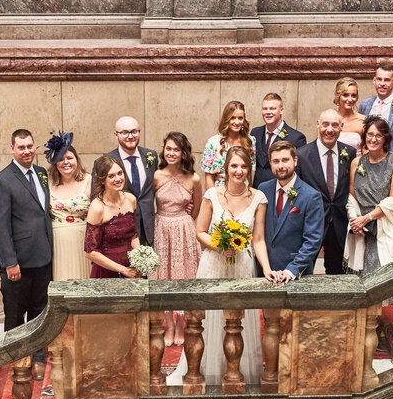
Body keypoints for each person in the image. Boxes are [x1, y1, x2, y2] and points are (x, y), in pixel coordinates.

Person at [195, 146, 276, 384]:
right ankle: (209, 371)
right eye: (234, 166)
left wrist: (267, 269)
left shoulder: (258, 198)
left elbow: (258, 239)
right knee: (212, 319)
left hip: (242, 265)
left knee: (238, 320)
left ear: (249, 168)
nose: (239, 171)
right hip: (213, 264)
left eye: (243, 166)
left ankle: (239, 371)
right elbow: (200, 231)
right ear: (225, 168)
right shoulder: (211, 195)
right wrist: (219, 246)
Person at [0, 128, 54, 380]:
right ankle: (17, 360)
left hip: (43, 257)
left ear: (35, 147)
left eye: (30, 146)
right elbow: (0, 226)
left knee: (40, 311)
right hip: (18, 262)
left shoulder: (41, 173)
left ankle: (37, 357)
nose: (26, 151)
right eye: (21, 147)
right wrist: (10, 262)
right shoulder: (2, 181)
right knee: (15, 313)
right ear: (12, 149)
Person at [345, 118, 393, 332]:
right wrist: (355, 219)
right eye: (369, 135)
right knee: (366, 270)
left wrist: (368, 217)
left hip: (386, 221)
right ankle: (370, 315)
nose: (373, 139)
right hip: (362, 225)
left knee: (390, 268)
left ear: (385, 139)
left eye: (378, 136)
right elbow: (352, 195)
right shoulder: (357, 163)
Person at [151, 132, 203, 346]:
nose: (171, 153)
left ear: (184, 152)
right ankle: (169, 324)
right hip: (161, 228)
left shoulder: (194, 178)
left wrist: (183, 222)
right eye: (168, 148)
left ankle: (181, 323)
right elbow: (148, 204)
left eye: (176, 149)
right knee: (163, 276)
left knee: (184, 275)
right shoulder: (156, 176)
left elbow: (197, 207)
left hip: (184, 228)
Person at [297, 109, 358, 275]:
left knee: (336, 271)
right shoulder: (302, 155)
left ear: (341, 128)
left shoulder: (350, 153)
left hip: (339, 222)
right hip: (312, 222)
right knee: (304, 268)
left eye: (334, 125)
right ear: (318, 124)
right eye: (325, 124)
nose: (329, 129)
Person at [259, 141, 325, 281]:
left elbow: (313, 241)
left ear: (295, 161)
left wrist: (292, 270)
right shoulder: (263, 189)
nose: (281, 166)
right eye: (276, 161)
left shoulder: (311, 196)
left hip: (295, 274)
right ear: (270, 163)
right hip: (264, 271)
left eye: (285, 160)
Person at [97, 116, 157, 245]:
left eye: (134, 131)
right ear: (116, 135)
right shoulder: (104, 161)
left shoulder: (151, 156)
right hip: (120, 231)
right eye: (124, 132)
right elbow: (96, 198)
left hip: (149, 229)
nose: (130, 136)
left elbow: (156, 187)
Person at [85, 157, 140, 278]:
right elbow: (90, 252)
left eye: (120, 173)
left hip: (131, 268)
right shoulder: (97, 207)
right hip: (107, 270)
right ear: (102, 180)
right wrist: (122, 269)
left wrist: (140, 260)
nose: (118, 179)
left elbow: (134, 237)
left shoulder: (131, 199)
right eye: (111, 176)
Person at [48, 144, 93, 280]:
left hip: (83, 241)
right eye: (61, 159)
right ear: (55, 163)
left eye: (69, 158)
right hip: (56, 243)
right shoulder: (48, 182)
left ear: (77, 160)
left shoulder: (89, 180)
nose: (66, 162)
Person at [358, 63, 393, 160]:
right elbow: (362, 136)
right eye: (379, 79)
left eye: (387, 80)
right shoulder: (365, 105)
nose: (382, 83)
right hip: (369, 162)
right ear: (374, 80)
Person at [250, 93, 307, 187]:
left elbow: (298, 171)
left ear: (281, 110)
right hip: (256, 191)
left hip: (280, 191)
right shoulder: (255, 133)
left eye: (272, 108)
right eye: (265, 109)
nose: (268, 112)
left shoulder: (296, 138)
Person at [201, 101, 256, 190]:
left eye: (240, 118)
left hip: (243, 193)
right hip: (219, 194)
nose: (237, 122)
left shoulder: (250, 141)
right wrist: (212, 200)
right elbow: (208, 177)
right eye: (233, 118)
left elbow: (250, 175)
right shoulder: (213, 143)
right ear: (226, 119)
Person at [334, 77, 366, 152]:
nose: (350, 99)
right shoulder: (328, 118)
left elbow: (367, 151)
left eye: (353, 95)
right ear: (337, 95)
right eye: (345, 95)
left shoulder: (362, 120)